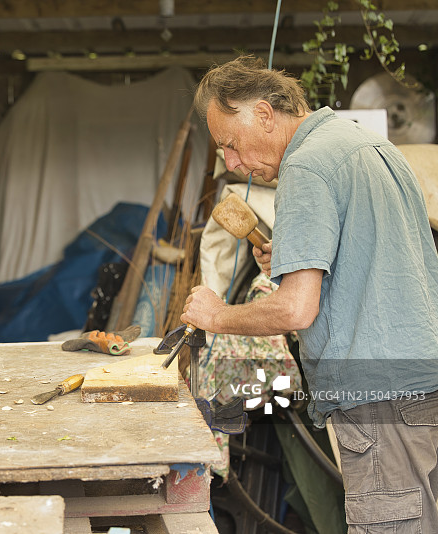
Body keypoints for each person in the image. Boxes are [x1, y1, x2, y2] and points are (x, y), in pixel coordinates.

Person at [181, 55, 438, 532]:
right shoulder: (373, 146)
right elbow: (380, 266)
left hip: (377, 396)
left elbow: (297, 309)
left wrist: (217, 315)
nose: (234, 163)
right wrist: (294, 258)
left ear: (262, 113)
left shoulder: (306, 166)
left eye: (231, 145)